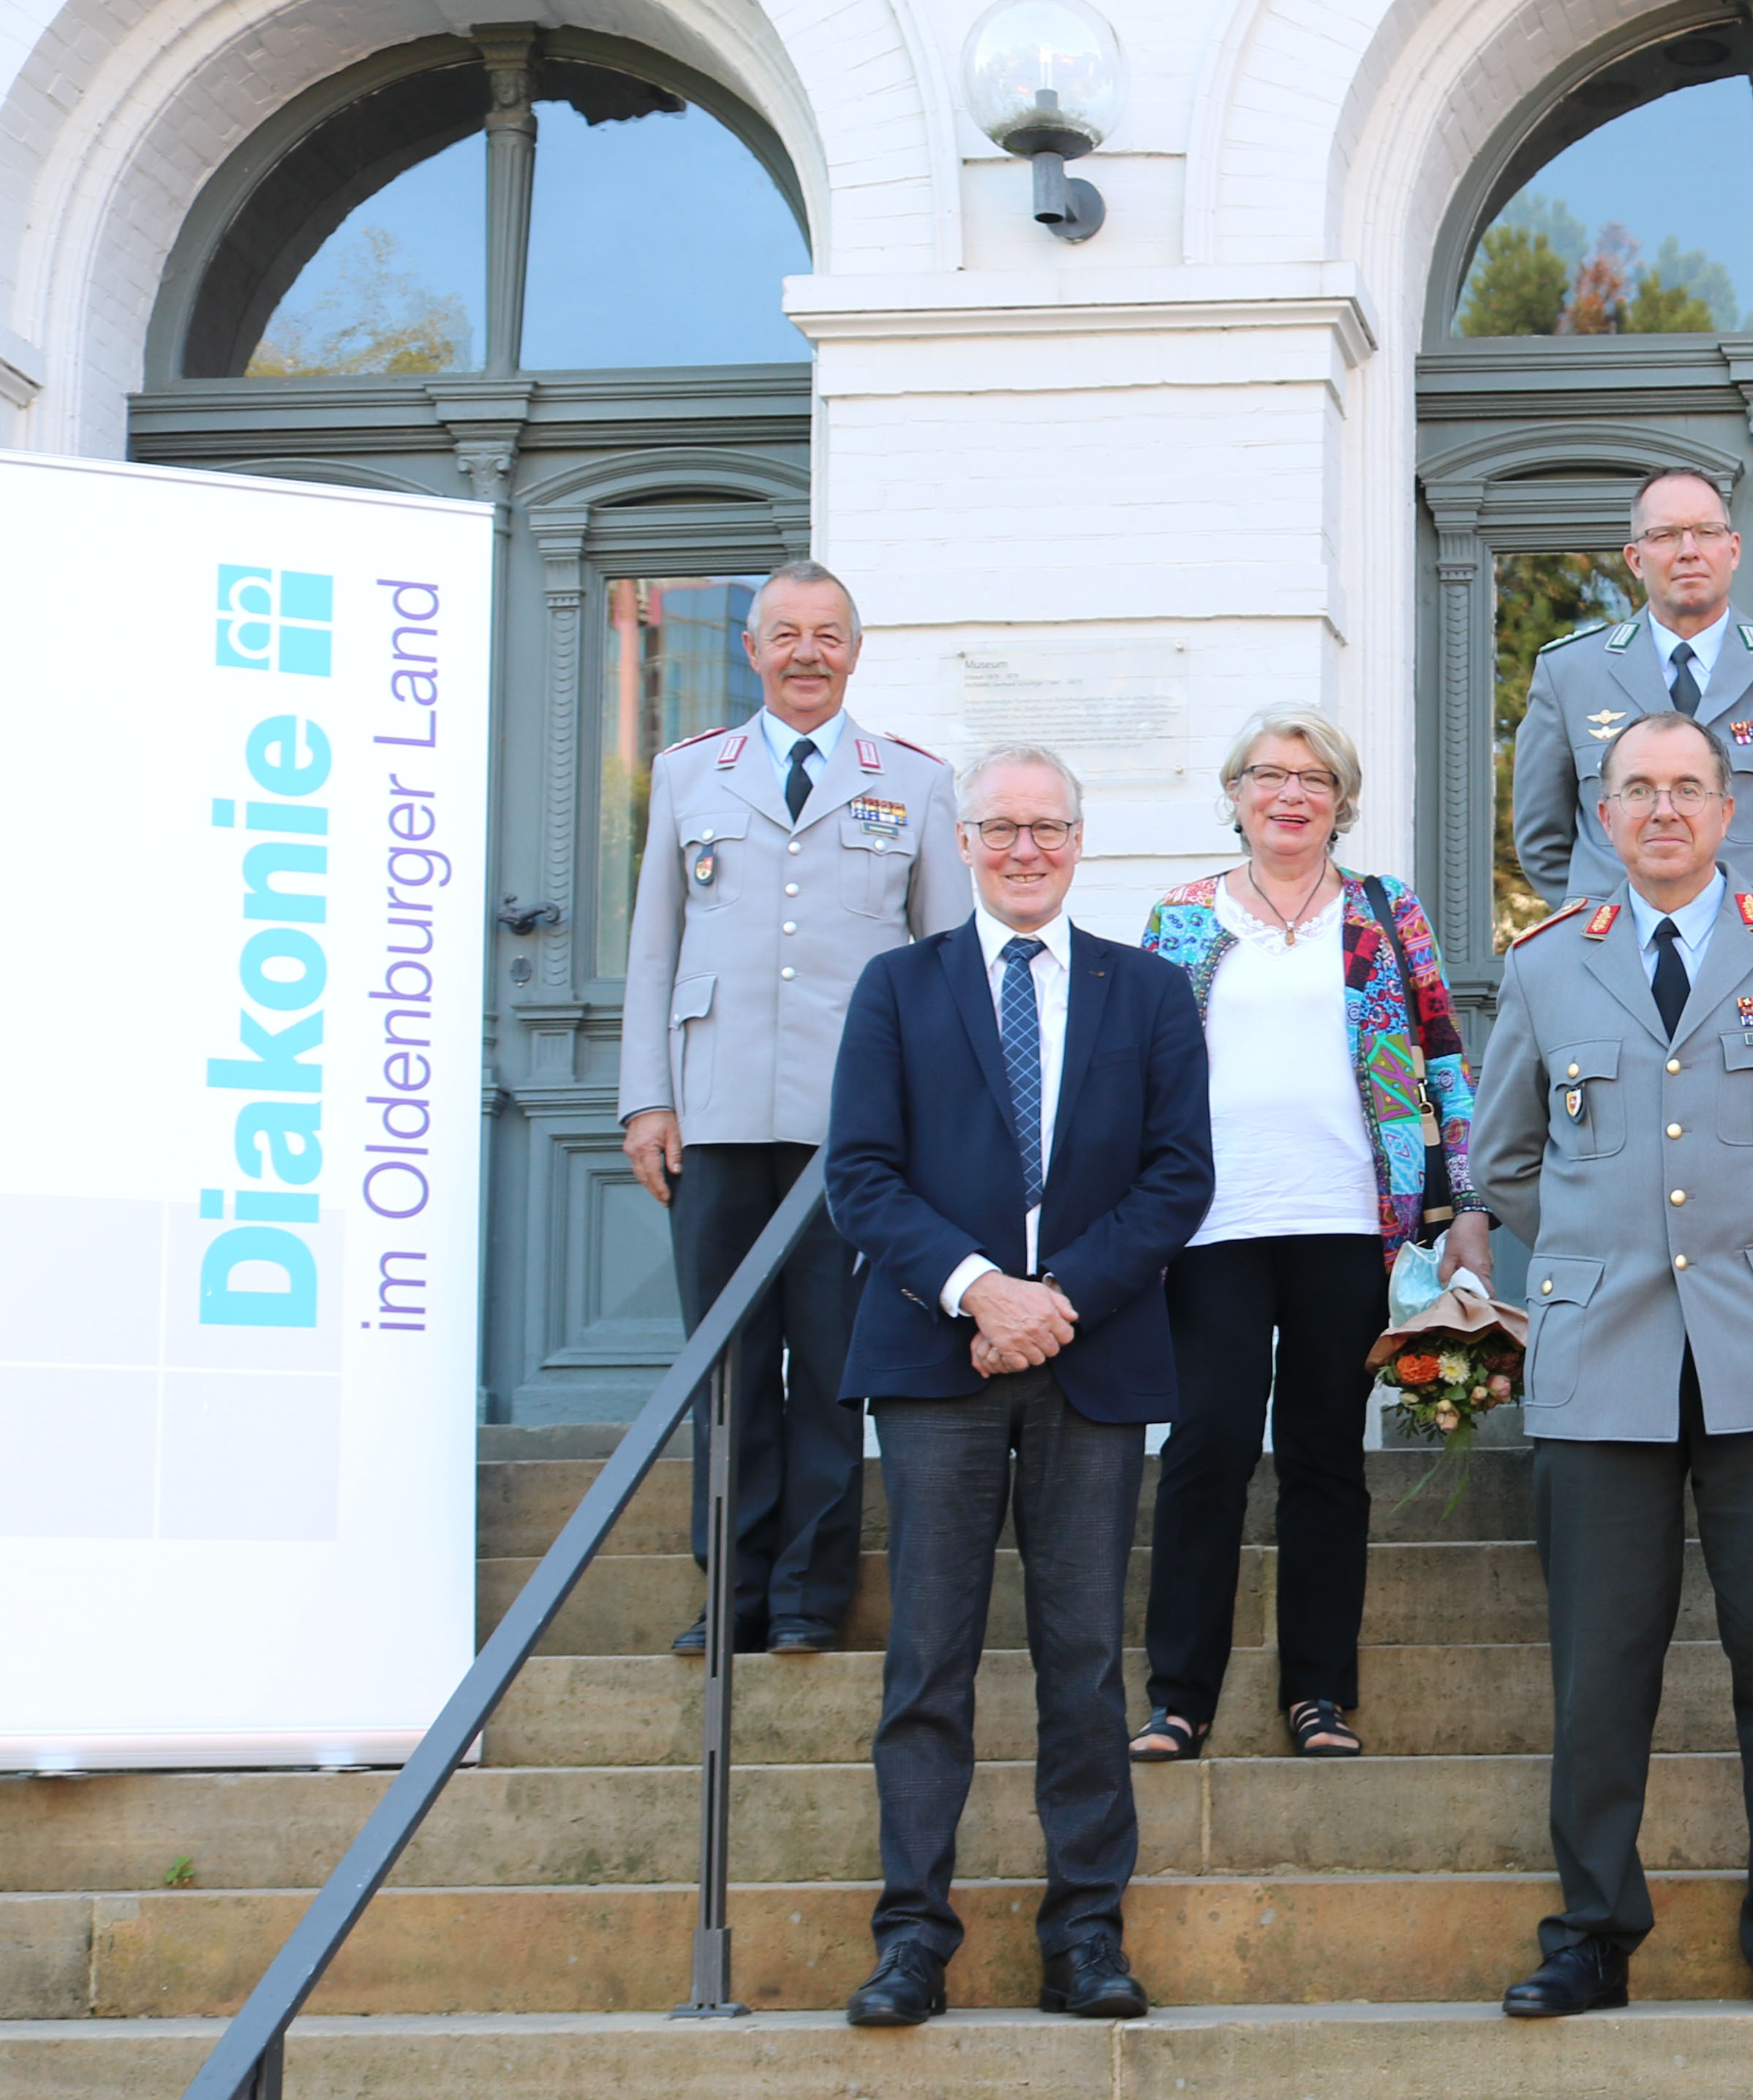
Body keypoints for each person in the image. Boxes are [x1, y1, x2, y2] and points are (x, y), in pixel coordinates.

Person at [1470, 709, 1753, 2021]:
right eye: (1636, 790)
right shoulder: (1546, 967)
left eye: (1687, 789)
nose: (1663, 810)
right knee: (1603, 1670)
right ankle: (1591, 1934)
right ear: (1601, 817)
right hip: (1604, 1355)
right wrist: (1610, 1251)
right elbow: (1502, 1161)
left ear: (1729, 811)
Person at [820, 747, 1215, 2029]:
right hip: (935, 1364)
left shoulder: (1149, 990)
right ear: (967, 838)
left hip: (1090, 1364)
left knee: (1084, 1659)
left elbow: (1177, 1176)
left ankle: (1086, 1936)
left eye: (1049, 826)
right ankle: (911, 1940)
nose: (1027, 847)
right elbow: (861, 1174)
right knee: (927, 1660)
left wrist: (1055, 1306)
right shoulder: (898, 986)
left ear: (1081, 839)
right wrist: (984, 1289)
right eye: (1002, 827)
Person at [616, 559, 970, 1658]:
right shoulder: (688, 775)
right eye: (785, 634)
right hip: (713, 1114)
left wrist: (940, 1129)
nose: (807, 652)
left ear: (854, 651)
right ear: (751, 649)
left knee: (829, 1362)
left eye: (828, 634)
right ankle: (732, 1594)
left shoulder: (912, 781)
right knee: (724, 1364)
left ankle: (814, 1597)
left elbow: (949, 967)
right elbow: (654, 949)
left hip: (852, 1135)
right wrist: (646, 1102)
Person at [1126, 708, 1493, 1764]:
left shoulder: (1385, 914)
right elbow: (1139, 1075)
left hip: (1350, 1223)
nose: (1291, 794)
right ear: (1236, 794)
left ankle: (1320, 1696)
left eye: (1314, 778)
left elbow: (1443, 1062)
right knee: (1208, 1449)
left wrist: (1464, 1201)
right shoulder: (1183, 917)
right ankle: (1178, 1697)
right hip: (1214, 1227)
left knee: (1327, 1456)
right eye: (1270, 776)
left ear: (1342, 802)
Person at [1507, 469, 1753, 907]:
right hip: (1621, 960)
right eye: (1665, 535)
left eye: (1707, 532)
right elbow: (1542, 843)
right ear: (1635, 558)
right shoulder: (1569, 674)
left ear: (1733, 549)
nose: (1689, 551)